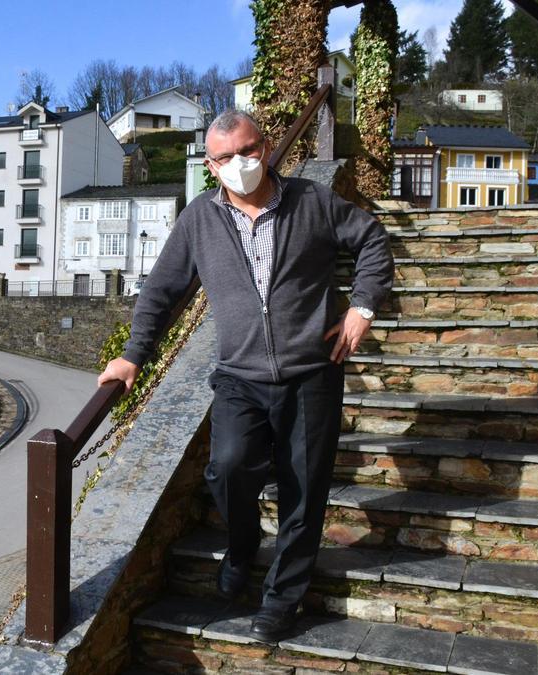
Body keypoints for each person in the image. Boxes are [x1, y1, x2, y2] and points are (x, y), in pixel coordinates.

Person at [98, 109, 393, 642]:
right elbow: (161, 291)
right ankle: (240, 547)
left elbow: (372, 240)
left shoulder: (312, 201)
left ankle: (282, 600)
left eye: (250, 149)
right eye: (227, 156)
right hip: (239, 375)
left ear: (267, 144)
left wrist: (361, 307)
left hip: (311, 373)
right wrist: (133, 356)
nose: (242, 163)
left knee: (305, 491)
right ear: (210, 165)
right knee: (229, 469)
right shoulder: (199, 220)